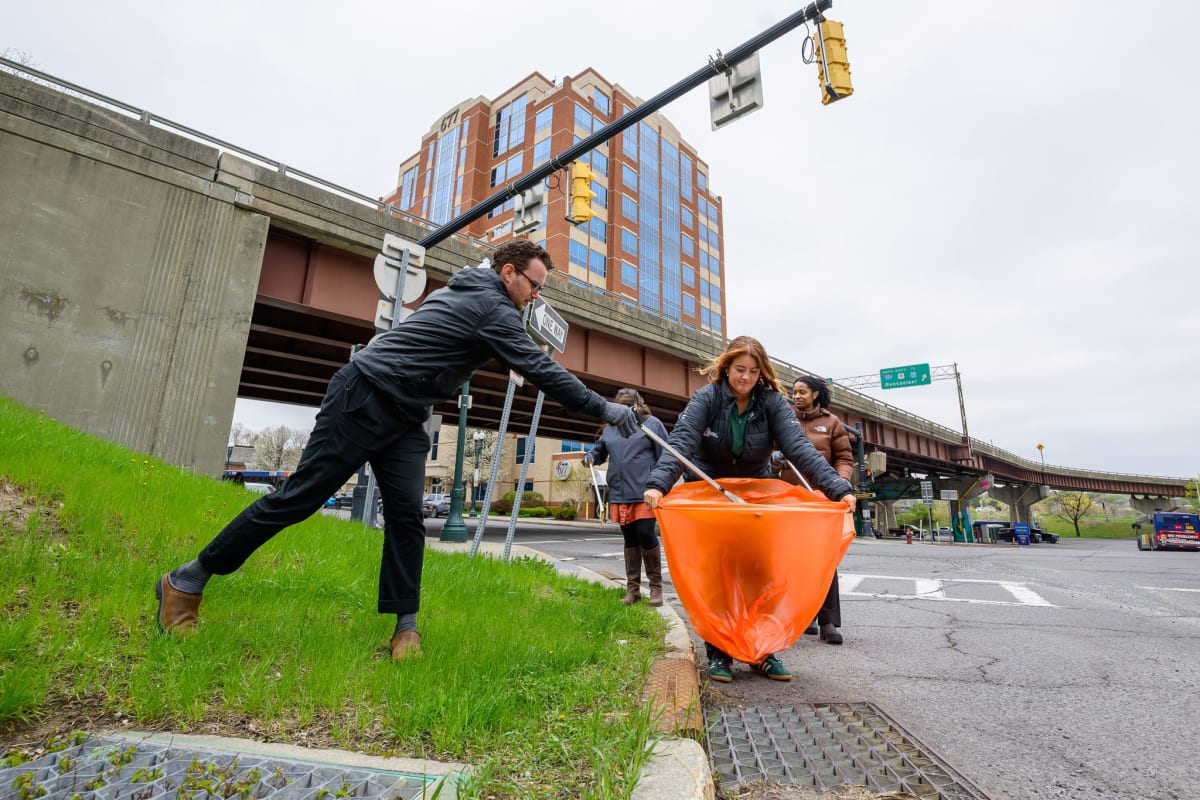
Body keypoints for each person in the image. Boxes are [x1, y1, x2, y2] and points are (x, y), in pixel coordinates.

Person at [155, 239, 641, 660]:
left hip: (408, 415)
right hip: (364, 395)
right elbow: (540, 369)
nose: (536, 296)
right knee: (298, 499)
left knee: (408, 519)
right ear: (507, 273)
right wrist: (603, 408)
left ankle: (405, 628)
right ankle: (187, 579)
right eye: (533, 285)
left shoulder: (475, 290)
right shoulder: (490, 306)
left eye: (541, 289)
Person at [643, 336, 855, 684]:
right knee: (717, 575)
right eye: (740, 369)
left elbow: (799, 448)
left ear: (762, 374)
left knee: (761, 574)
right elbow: (681, 443)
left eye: (754, 371)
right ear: (726, 367)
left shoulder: (772, 402)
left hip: (756, 494)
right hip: (711, 491)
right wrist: (658, 483)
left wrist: (837, 489)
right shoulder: (706, 398)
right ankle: (718, 653)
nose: (746, 377)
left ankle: (763, 652)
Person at [782, 375, 855, 646]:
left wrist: (841, 483)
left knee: (824, 559)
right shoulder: (784, 419)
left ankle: (828, 622)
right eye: (794, 391)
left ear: (815, 394)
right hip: (788, 500)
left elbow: (845, 459)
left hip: (821, 499)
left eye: (802, 391)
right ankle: (805, 615)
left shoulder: (831, 422)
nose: (797, 396)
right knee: (790, 560)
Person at [584, 388, 670, 606]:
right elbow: (599, 452)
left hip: (645, 491)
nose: (625, 412)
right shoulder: (610, 430)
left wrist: (660, 485)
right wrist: (590, 457)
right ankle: (633, 590)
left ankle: (655, 588)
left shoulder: (651, 425)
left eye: (629, 407)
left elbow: (666, 456)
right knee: (630, 538)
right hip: (620, 491)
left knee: (645, 533)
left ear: (637, 406)